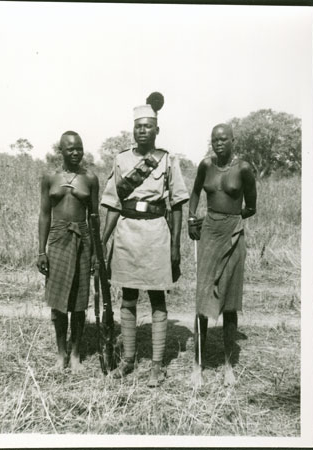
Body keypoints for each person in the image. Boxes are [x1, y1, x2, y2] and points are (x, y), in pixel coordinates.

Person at [101, 93, 189, 387]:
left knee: (156, 298)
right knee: (127, 297)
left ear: (156, 130)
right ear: (133, 129)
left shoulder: (166, 160)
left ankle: (157, 366)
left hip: (155, 234)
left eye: (147, 126)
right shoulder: (121, 159)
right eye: (138, 126)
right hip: (127, 232)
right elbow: (114, 204)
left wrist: (176, 246)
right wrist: (104, 240)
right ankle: (127, 360)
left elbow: (177, 205)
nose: (142, 131)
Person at [188, 123, 257, 387]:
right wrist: (193, 218)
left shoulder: (243, 169)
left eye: (223, 139)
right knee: (202, 299)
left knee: (229, 301)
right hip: (208, 233)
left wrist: (232, 221)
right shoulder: (206, 165)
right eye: (215, 139)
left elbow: (251, 206)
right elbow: (195, 192)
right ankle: (198, 366)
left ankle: (229, 366)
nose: (218, 143)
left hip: (233, 234)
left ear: (232, 141)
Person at [37, 131, 99, 373]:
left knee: (79, 302)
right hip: (58, 238)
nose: (75, 152)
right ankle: (61, 353)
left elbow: (94, 218)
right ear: (60, 151)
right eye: (70, 148)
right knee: (59, 301)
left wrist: (95, 253)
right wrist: (41, 251)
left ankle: (75, 354)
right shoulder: (49, 178)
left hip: (82, 238)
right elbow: (44, 215)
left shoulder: (90, 179)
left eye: (79, 148)